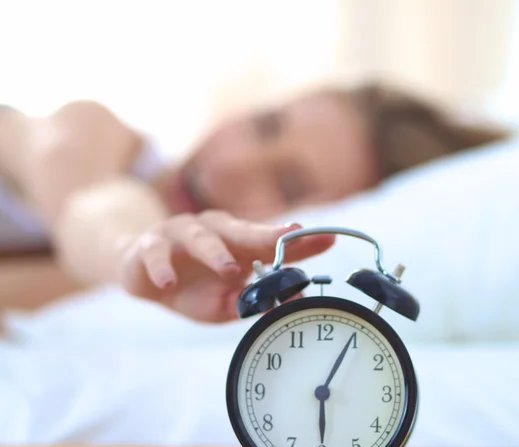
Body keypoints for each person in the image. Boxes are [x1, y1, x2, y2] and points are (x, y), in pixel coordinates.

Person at [0, 82, 509, 322]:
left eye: (287, 187)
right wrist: (132, 246)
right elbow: (90, 206)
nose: (231, 164)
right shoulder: (92, 131)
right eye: (264, 124)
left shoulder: (164, 289)